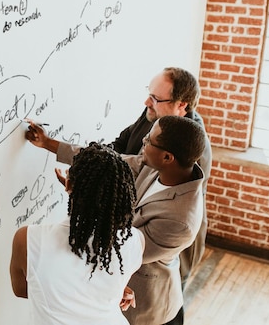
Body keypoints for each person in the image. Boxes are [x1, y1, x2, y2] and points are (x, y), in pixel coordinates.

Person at [25, 115, 207, 325]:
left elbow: (119, 247)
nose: (143, 142)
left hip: (146, 306)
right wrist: (48, 143)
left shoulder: (182, 221)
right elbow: (105, 163)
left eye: (149, 141)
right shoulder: (154, 164)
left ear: (167, 157)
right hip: (114, 289)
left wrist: (80, 195)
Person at [9, 142, 146, 325]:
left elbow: (22, 289)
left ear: (68, 185)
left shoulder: (28, 239)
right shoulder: (135, 240)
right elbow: (101, 280)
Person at [110, 67, 211, 291]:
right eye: (150, 93)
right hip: (136, 234)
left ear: (181, 105)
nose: (147, 101)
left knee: (166, 293)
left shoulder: (191, 149)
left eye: (156, 98)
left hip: (168, 245)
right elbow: (121, 144)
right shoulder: (153, 115)